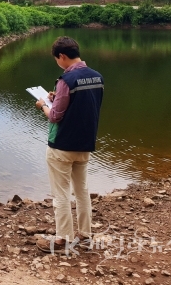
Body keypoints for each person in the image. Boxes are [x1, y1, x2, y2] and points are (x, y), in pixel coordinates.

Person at [34, 36, 104, 254]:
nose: (58, 62)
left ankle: (62, 239)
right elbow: (83, 106)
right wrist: (59, 98)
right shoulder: (97, 77)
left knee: (61, 194)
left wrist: (44, 104)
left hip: (62, 146)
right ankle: (85, 234)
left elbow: (55, 116)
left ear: (62, 56)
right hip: (85, 144)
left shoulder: (67, 80)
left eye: (57, 59)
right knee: (82, 190)